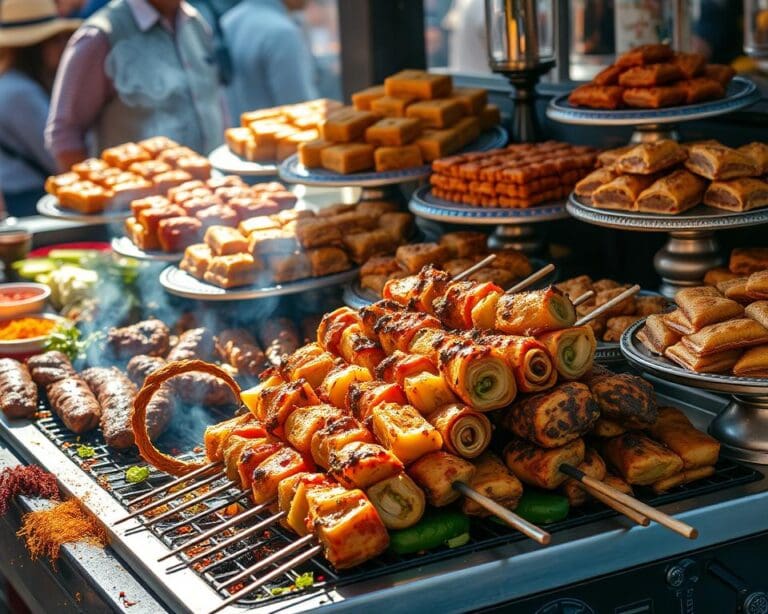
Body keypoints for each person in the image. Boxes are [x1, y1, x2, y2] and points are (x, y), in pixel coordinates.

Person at [46, 0, 226, 170]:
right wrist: (99, 196)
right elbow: (65, 136)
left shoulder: (195, 22)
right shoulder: (100, 36)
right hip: (135, 200)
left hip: (208, 192)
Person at [0, 0, 79, 216]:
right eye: (56, 40)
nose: (63, 46)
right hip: (29, 200)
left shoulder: (12, 84)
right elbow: (57, 157)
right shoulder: (20, 92)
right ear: (36, 47)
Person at [222, 0, 318, 119]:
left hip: (235, 134)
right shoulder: (282, 33)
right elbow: (301, 112)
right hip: (274, 135)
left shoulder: (226, 21)